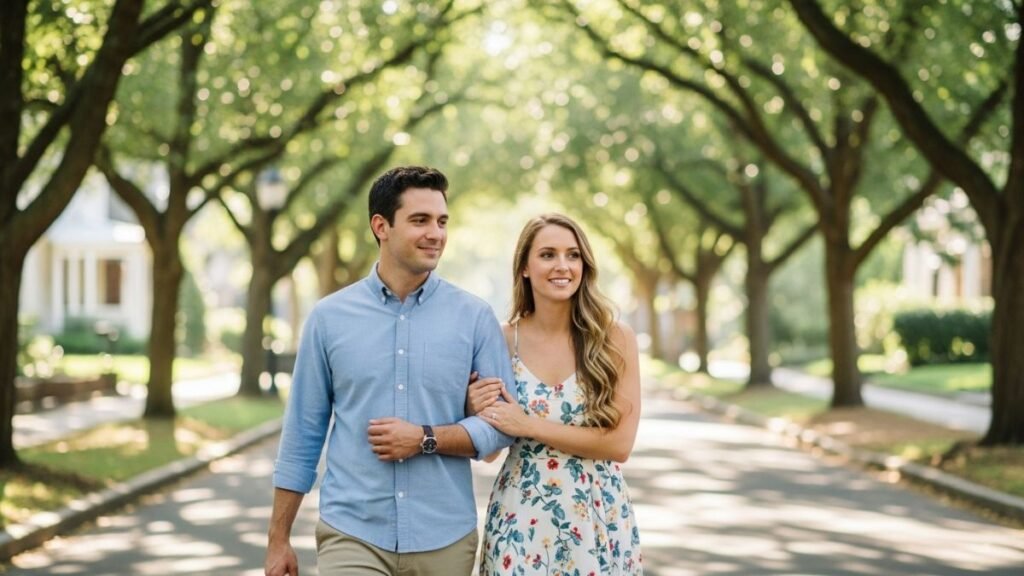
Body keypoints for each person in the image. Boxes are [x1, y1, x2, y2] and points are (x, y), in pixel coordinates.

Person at [265, 166, 516, 576]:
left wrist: (425, 438)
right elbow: (302, 436)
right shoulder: (329, 318)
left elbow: (501, 427)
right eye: (420, 220)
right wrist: (278, 539)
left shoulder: (474, 318)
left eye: (441, 221)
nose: (435, 233)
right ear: (381, 226)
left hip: (444, 538)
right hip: (353, 533)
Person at [468, 213, 643, 575]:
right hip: (521, 515)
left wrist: (528, 425)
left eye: (573, 255)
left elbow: (619, 445)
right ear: (525, 268)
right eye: (548, 254)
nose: (562, 265)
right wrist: (478, 409)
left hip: (597, 514)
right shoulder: (501, 339)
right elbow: (490, 453)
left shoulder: (614, 338)